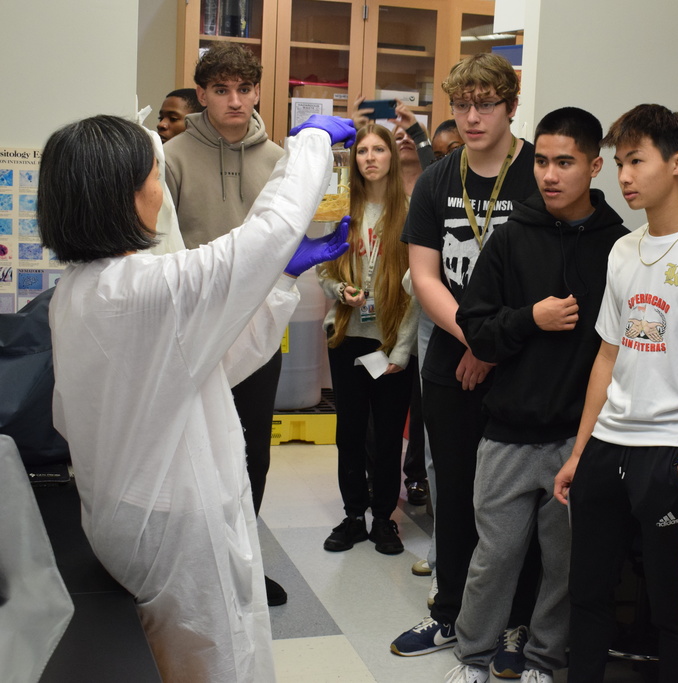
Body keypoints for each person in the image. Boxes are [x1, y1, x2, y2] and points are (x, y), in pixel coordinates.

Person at [39, 112, 355, 682]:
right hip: (175, 522)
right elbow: (263, 236)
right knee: (220, 659)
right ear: (123, 196)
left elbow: (211, 363)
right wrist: (308, 146)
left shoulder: (82, 289)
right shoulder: (145, 290)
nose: (160, 190)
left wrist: (281, 282)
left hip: (128, 509)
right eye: (153, 176)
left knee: (179, 659)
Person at [554, 103, 678, 683]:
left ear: (677, 162)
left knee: (673, 610)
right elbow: (607, 357)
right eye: (619, 163)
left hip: (670, 453)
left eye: (636, 161)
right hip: (608, 445)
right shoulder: (623, 250)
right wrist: (579, 452)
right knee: (587, 595)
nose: (624, 177)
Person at [443, 107, 627, 683]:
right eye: (542, 161)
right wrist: (531, 318)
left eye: (565, 162)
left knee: (564, 566)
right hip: (507, 433)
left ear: (595, 166)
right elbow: (476, 329)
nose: (549, 174)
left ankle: (545, 663)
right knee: (493, 560)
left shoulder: (620, 249)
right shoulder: (510, 239)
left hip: (580, 439)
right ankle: (472, 660)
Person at [390, 53, 540, 670]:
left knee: (517, 501)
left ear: (510, 103)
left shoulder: (540, 174)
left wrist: (495, 344)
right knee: (455, 494)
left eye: (487, 104)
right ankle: (450, 612)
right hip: (452, 361)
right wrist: (474, 338)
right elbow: (423, 276)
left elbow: (552, 276)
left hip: (527, 366)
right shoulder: (436, 180)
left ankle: (515, 624)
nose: (473, 117)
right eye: (462, 105)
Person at [163, 42, 289, 605]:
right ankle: (191, 566)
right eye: (221, 90)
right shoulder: (171, 157)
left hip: (259, 330)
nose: (235, 100)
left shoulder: (280, 159)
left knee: (250, 449)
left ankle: (243, 563)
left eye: (244, 88)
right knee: (192, 450)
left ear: (259, 90)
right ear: (203, 94)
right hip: (191, 332)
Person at [318, 124, 418, 556]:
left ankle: (384, 519)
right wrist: (341, 291)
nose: (371, 158)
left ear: (393, 158)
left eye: (380, 150)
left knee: (390, 434)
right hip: (347, 335)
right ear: (353, 158)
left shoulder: (411, 211)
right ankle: (354, 515)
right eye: (363, 151)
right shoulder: (341, 208)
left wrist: (402, 349)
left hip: (391, 343)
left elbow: (420, 288)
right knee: (350, 432)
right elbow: (323, 269)